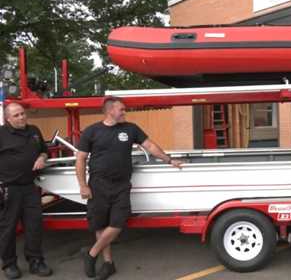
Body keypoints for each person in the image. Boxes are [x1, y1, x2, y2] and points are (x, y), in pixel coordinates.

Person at [75, 96, 182, 280]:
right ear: (110, 111)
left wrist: (169, 160)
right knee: (100, 225)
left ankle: (91, 254)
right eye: (121, 109)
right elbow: (81, 159)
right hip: (98, 184)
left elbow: (150, 146)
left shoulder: (130, 129)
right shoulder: (92, 131)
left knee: (117, 223)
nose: (125, 112)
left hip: (121, 185)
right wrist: (83, 185)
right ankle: (108, 264)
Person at [0, 103, 53, 279]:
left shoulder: (34, 130)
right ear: (8, 119)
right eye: (16, 115)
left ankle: (36, 261)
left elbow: (45, 151)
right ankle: (9, 264)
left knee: (34, 226)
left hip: (31, 187)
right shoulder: (1, 134)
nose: (22, 117)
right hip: (9, 188)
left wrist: (41, 157)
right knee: (8, 228)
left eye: (22, 113)